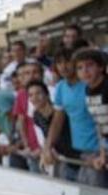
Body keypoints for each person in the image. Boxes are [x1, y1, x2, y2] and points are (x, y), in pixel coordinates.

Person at [43, 48, 99, 183]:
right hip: (79, 153)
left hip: (98, 152)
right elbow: (57, 121)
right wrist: (47, 147)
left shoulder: (91, 85)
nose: (63, 66)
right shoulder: (61, 87)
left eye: (67, 61)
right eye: (59, 62)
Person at [28, 80, 79, 180]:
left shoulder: (59, 114)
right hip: (63, 160)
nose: (34, 98)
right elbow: (47, 137)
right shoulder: (36, 115)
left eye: (38, 93)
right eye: (31, 95)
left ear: (47, 95)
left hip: (77, 156)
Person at [76, 48, 108, 187]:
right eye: (80, 68)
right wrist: (103, 154)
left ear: (101, 67)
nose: (85, 71)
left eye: (89, 65)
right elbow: (99, 126)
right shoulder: (88, 91)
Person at [12, 62, 43, 172]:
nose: (31, 76)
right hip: (32, 149)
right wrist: (27, 145)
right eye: (27, 73)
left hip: (47, 150)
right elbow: (21, 121)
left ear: (41, 75)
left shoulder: (50, 92)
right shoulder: (21, 94)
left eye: (35, 72)